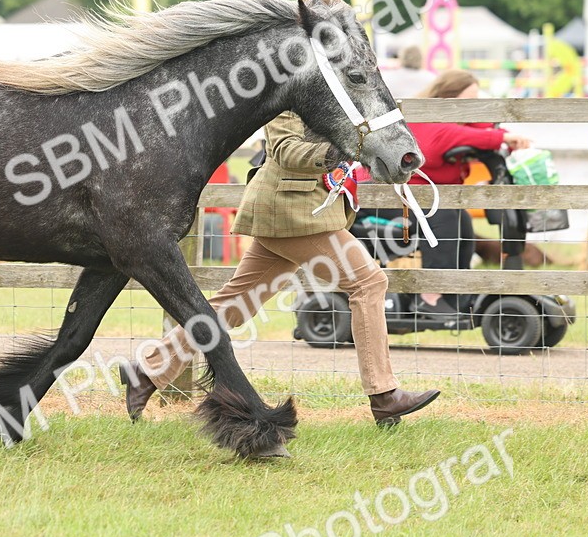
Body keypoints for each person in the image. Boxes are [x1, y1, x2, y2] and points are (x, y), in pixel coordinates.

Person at [120, 110, 440, 427]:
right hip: (291, 211)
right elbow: (286, 151)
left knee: (235, 304)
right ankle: (384, 396)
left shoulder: (337, 94)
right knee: (368, 283)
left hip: (299, 212)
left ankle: (147, 371)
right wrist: (342, 149)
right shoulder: (289, 99)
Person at [396, 69, 532, 315]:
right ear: (449, 98)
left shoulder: (450, 120)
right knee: (444, 217)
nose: (472, 106)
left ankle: (457, 290)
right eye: (468, 100)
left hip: (420, 198)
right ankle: (431, 295)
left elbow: (480, 127)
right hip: (390, 197)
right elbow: (453, 136)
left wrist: (499, 133)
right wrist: (503, 137)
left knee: (460, 217)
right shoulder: (428, 121)